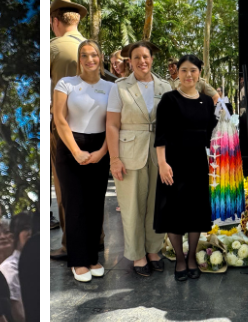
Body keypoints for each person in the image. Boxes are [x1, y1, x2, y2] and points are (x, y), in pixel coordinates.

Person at [106, 40, 171, 278]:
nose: (142, 61)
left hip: (159, 151)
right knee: (132, 206)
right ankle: (137, 254)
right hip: (130, 151)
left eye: (146, 56)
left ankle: (154, 250)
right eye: (137, 58)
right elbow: (112, 125)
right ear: (129, 62)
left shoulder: (165, 86)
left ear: (152, 58)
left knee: (157, 204)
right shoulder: (120, 87)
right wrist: (114, 159)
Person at [153, 54, 219, 281]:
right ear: (177, 72)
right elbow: (160, 134)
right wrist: (162, 163)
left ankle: (191, 257)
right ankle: (180, 260)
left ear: (200, 73)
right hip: (172, 163)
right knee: (174, 212)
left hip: (197, 164)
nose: (188, 75)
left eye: (193, 70)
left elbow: (212, 133)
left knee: (195, 213)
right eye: (184, 70)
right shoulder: (169, 99)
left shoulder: (206, 101)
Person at [53, 39, 111, 283]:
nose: (90, 60)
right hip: (70, 148)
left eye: (94, 55)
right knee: (75, 204)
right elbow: (59, 118)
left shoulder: (111, 87)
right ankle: (77, 261)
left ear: (100, 58)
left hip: (101, 146)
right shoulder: (66, 83)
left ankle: (92, 257)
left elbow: (113, 124)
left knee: (95, 205)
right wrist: (76, 151)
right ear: (79, 60)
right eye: (85, 55)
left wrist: (102, 151)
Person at [50, 0, 88, 263]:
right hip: (94, 129)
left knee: (66, 189)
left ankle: (71, 243)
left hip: (63, 130)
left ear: (55, 21)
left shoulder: (53, 49)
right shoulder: (91, 49)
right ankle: (95, 238)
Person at [0, 211, 32, 322]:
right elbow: (16, 312)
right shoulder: (10, 268)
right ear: (14, 236)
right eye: (26, 229)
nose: (31, 233)